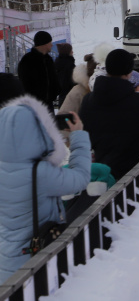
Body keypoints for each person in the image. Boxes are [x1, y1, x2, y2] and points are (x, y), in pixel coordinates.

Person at [0, 97, 91, 280]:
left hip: (6, 260)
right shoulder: (40, 173)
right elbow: (80, 178)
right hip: (34, 263)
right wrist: (79, 136)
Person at [79, 49, 139, 179]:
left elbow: (85, 134)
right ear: (129, 72)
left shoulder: (88, 100)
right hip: (136, 175)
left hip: (103, 172)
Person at [17, 31, 60, 112]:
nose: (52, 45)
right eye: (50, 42)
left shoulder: (48, 59)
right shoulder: (27, 60)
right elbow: (24, 83)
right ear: (44, 43)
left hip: (49, 104)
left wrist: (56, 91)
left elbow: (53, 78)